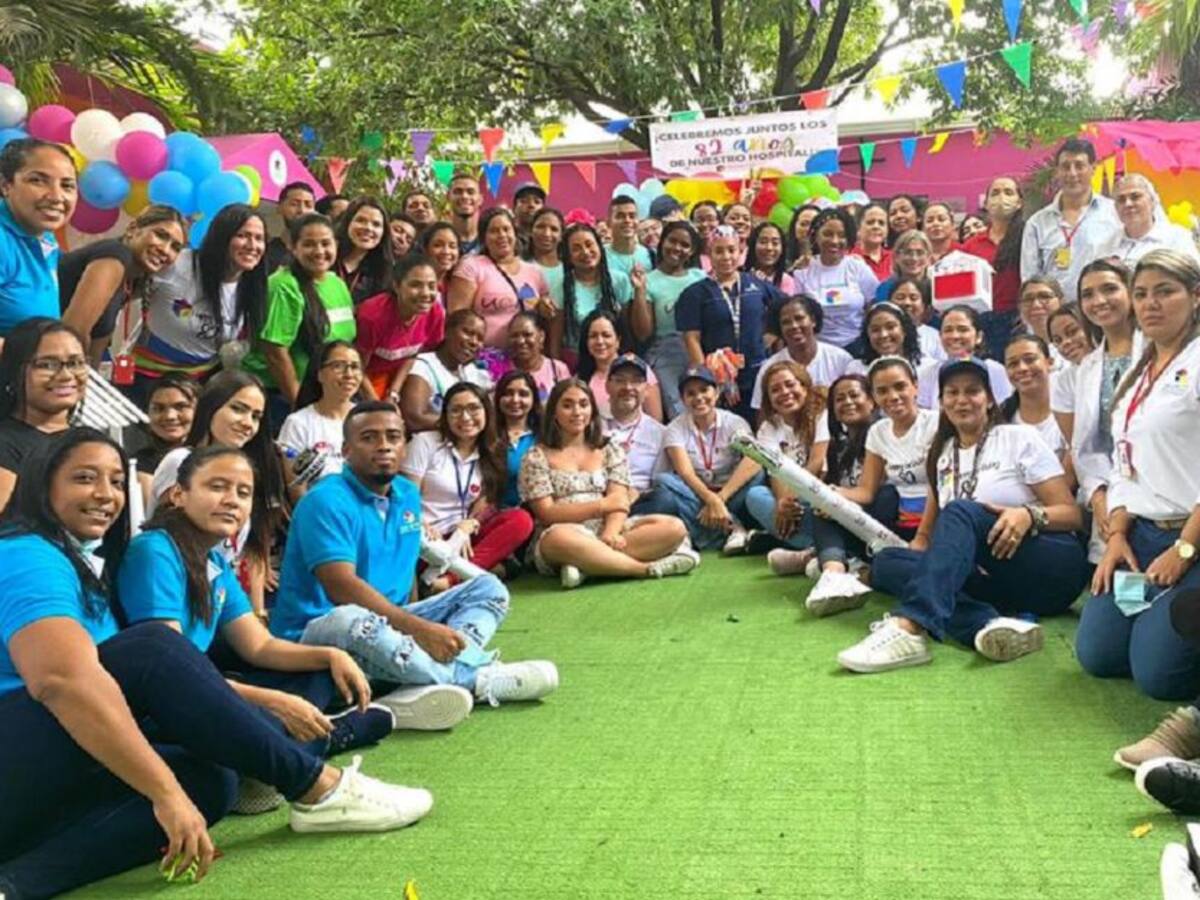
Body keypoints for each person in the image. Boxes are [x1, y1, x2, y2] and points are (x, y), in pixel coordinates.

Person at [0, 430, 431, 900]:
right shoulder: (26, 555)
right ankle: (317, 786)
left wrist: (176, 788)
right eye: (84, 479)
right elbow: (65, 682)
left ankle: (17, 884)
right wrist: (164, 792)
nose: (106, 495)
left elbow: (256, 646)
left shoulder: (85, 563)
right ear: (42, 486)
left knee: (209, 781)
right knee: (152, 649)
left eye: (114, 481)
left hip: (34, 782)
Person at [270, 400, 559, 711]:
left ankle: (413, 678)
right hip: (317, 634)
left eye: (393, 437)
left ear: (405, 445)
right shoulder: (324, 501)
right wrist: (418, 630)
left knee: (489, 589)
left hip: (390, 627)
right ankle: (475, 679)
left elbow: (404, 572)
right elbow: (340, 588)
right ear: (346, 449)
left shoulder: (407, 494)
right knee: (350, 618)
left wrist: (415, 627)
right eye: (369, 438)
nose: (384, 446)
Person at [119, 446, 394, 762]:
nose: (232, 500)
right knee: (256, 718)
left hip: (199, 688)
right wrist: (275, 701)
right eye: (217, 486)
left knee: (317, 672)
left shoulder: (214, 561)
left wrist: (330, 654)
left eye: (243, 492)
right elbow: (172, 676)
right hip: (161, 706)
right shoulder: (155, 551)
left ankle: (278, 748)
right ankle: (323, 738)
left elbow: (259, 646)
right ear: (179, 495)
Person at [840, 357, 1086, 672]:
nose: (962, 400)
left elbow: (1072, 515)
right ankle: (986, 625)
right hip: (996, 581)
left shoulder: (1017, 437)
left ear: (989, 399)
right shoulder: (943, 456)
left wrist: (1028, 515)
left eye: (972, 391)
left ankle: (910, 627)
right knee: (888, 562)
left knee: (960, 512)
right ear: (941, 402)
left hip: (1050, 568)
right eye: (952, 393)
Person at [1076, 250, 1200, 701]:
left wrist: (1185, 550)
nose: (1150, 304)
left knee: (1158, 676)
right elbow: (1124, 464)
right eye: (1142, 293)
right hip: (1141, 536)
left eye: (1165, 292)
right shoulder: (1139, 368)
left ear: (1196, 296)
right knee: (1099, 655)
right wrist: (1116, 537)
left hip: (1190, 537)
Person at [518, 379, 697, 589]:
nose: (577, 412)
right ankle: (644, 569)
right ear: (554, 413)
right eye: (567, 405)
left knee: (674, 528)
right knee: (558, 539)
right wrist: (601, 506)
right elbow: (547, 513)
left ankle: (588, 566)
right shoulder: (536, 456)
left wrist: (611, 531)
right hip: (564, 533)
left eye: (583, 404)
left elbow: (619, 500)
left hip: (610, 531)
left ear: (592, 410)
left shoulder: (609, 448)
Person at [149, 370, 287, 617]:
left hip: (221, 600)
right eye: (238, 409)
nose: (248, 423)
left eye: (256, 416)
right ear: (211, 407)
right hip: (173, 598)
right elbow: (167, 541)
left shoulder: (247, 473)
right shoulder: (180, 460)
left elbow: (252, 552)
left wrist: (258, 614)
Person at [402, 383, 534, 591]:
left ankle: (447, 581)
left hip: (463, 538)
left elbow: (484, 502)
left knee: (520, 520)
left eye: (473, 408)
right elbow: (406, 497)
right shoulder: (425, 443)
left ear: (486, 412)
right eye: (456, 410)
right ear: (445, 415)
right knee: (415, 540)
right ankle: (484, 570)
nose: (465, 417)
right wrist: (421, 522)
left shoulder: (491, 449)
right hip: (428, 538)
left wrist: (469, 524)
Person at [1052, 259, 1140, 563]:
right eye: (1088, 294)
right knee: (1113, 600)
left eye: (1109, 289)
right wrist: (1099, 497)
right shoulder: (1088, 368)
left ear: (1131, 291)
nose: (1099, 300)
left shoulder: (1161, 350)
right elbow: (1086, 449)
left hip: (1159, 495)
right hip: (1109, 500)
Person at [133, 203, 267, 386]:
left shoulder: (252, 287)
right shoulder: (179, 264)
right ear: (222, 237)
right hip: (145, 376)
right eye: (242, 236)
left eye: (259, 238)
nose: (253, 246)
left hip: (195, 388)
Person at [768, 374, 882, 583]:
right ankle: (833, 571)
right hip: (850, 517)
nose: (847, 402)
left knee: (831, 502)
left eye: (854, 395)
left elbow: (872, 492)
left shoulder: (882, 435)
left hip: (879, 517)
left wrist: (837, 498)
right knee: (818, 504)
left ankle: (824, 558)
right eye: (839, 399)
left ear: (872, 401)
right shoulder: (838, 444)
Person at [243, 213, 356, 413]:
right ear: (293, 247)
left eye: (325, 243)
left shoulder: (336, 283)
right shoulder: (283, 286)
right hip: (282, 396)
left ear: (336, 245)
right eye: (309, 244)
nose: (319, 251)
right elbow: (275, 353)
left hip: (325, 393)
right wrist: (301, 409)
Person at [58, 205, 187, 363]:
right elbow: (72, 332)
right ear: (132, 229)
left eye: (175, 247)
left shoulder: (132, 280)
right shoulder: (116, 254)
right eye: (160, 235)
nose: (166, 250)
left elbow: (96, 349)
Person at [654, 365, 761, 553]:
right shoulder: (674, 428)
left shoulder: (734, 422)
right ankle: (733, 527)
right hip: (697, 493)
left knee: (758, 474)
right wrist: (709, 498)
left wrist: (719, 498)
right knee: (664, 481)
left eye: (704, 390)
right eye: (691, 393)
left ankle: (702, 533)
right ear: (683, 399)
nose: (698, 398)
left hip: (731, 491)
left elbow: (753, 459)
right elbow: (685, 472)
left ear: (717, 392)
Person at [676, 225, 779, 418]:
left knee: (760, 426)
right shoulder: (695, 293)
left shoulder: (756, 285)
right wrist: (707, 380)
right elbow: (691, 339)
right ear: (709, 254)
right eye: (719, 251)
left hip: (756, 373)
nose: (726, 257)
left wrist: (771, 336)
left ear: (740, 251)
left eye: (731, 250)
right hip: (720, 377)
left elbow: (786, 307)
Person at [0, 318, 87, 513]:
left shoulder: (89, 441)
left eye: (75, 363)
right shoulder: (5, 445)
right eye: (47, 365)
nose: (66, 375)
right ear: (14, 372)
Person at [742, 361, 829, 554]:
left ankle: (790, 543)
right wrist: (782, 502)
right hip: (792, 500)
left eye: (790, 384)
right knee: (756, 496)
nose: (784, 392)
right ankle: (812, 548)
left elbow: (817, 461)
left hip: (817, 489)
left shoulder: (822, 414)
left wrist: (791, 498)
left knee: (813, 501)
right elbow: (775, 470)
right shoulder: (769, 427)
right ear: (769, 399)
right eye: (775, 389)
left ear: (804, 387)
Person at [1020, 137, 1120, 303]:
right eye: (1065, 167)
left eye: (1079, 166)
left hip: (1104, 309)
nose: (1072, 173)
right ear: (1057, 171)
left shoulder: (1114, 213)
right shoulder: (1037, 223)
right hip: (1056, 318)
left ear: (1093, 169)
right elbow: (1030, 279)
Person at [0, 138, 77, 337]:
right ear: (5, 185)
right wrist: (39, 357)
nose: (56, 196)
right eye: (38, 180)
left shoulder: (44, 238)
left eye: (67, 185)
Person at [447, 207, 552, 353]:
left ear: (515, 234)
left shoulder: (535, 272)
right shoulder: (471, 266)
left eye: (506, 229)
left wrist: (544, 306)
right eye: (494, 231)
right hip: (482, 362)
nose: (501, 235)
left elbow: (545, 315)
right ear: (484, 237)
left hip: (525, 360)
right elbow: (456, 320)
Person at [630, 220, 706, 417]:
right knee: (681, 413)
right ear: (662, 242)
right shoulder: (649, 280)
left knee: (705, 407)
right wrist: (640, 291)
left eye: (685, 245)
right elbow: (643, 333)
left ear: (692, 251)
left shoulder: (700, 277)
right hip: (665, 353)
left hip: (699, 349)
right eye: (672, 241)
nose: (677, 248)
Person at [279, 341, 366, 503]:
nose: (349, 374)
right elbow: (297, 489)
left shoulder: (368, 420)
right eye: (338, 366)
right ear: (319, 374)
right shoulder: (298, 423)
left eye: (355, 367)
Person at [355, 255, 445, 403]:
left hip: (403, 375)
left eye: (431, 286)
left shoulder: (435, 313)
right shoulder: (373, 316)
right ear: (396, 286)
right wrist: (377, 405)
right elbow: (357, 367)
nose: (425, 293)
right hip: (367, 378)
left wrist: (393, 393)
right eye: (415, 285)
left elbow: (415, 356)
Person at [793, 208, 880, 350]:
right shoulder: (802, 272)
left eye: (841, 235)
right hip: (816, 349)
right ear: (816, 236)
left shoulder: (858, 268)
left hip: (858, 347)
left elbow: (875, 307)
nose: (835, 241)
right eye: (827, 234)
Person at [750, 294, 852, 412]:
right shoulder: (769, 367)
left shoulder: (841, 359)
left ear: (813, 320)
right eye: (786, 322)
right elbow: (763, 412)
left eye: (799, 318)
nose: (794, 326)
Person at [549, 222, 638, 356]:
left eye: (589, 244)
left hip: (614, 358)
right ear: (569, 256)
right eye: (576, 248)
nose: (585, 252)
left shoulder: (620, 281)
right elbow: (556, 338)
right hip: (577, 359)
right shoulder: (561, 286)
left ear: (600, 247)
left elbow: (627, 329)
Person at [400, 308, 492, 433]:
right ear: (447, 331)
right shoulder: (424, 365)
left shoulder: (472, 372)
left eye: (480, 338)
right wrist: (462, 424)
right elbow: (413, 419)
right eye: (468, 332)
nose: (474, 342)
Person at [963, 176, 1026, 358]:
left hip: (1018, 321)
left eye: (1008, 192)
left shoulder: (1028, 237)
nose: (1001, 198)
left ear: (1019, 202)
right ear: (987, 202)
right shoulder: (971, 245)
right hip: (982, 322)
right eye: (995, 193)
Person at [601, 354, 670, 515]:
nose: (628, 387)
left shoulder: (661, 433)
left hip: (641, 501)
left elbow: (660, 481)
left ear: (646, 389)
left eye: (636, 381)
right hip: (602, 498)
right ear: (607, 386)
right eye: (620, 380)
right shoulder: (592, 426)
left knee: (666, 500)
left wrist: (636, 494)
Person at [916, 305, 1013, 409]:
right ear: (940, 336)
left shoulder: (994, 370)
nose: (955, 336)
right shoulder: (929, 373)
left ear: (979, 337)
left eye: (963, 329)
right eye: (948, 330)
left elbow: (1004, 412)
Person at [1097, 173, 1200, 267]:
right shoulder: (1106, 246)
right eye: (1121, 200)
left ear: (1152, 201)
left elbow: (1194, 277)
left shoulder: (1176, 238)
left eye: (1135, 197)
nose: (1128, 204)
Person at [578, 309, 662, 420]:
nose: (600, 341)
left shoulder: (640, 370)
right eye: (593, 336)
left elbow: (656, 421)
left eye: (606, 335)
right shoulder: (581, 380)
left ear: (618, 340)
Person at [999, 335, 1070, 465]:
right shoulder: (1002, 420)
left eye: (1030, 360)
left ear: (1049, 362)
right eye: (1013, 364)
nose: (1022, 368)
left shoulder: (1071, 408)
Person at [133, 375, 198, 507]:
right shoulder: (140, 464)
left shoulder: (214, 455)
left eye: (181, 407)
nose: (170, 416)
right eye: (159, 408)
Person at [493, 370, 540, 510]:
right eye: (508, 393)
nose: (515, 400)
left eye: (523, 394)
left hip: (535, 514)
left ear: (534, 399)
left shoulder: (544, 436)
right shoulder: (487, 434)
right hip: (492, 514)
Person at [333, 197, 392, 304]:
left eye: (376, 224)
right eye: (361, 220)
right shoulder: (325, 258)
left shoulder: (384, 273)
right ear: (347, 223)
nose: (368, 228)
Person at [503, 311, 569, 402]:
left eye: (527, 335)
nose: (521, 341)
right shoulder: (501, 369)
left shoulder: (558, 369)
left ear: (541, 336)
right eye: (515, 336)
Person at [846, 302, 923, 377]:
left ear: (904, 329)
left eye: (890, 327)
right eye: (875, 330)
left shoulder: (926, 368)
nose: (883, 335)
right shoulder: (856, 369)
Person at [888, 275, 945, 362]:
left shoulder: (935, 336)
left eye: (913, 298)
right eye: (900, 297)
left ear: (924, 306)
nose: (907, 303)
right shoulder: (883, 333)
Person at [264, 181, 315, 272]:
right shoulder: (265, 253)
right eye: (294, 204)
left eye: (308, 205)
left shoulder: (319, 254)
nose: (302, 210)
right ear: (279, 207)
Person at [875, 229, 933, 303]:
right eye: (907, 252)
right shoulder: (885, 288)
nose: (914, 258)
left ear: (929, 256)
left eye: (920, 253)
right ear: (896, 256)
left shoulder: (936, 287)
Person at [606, 195, 654, 279]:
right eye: (620, 216)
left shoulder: (651, 255)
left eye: (632, 216)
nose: (627, 220)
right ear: (608, 222)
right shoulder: (599, 256)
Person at [744, 222, 796, 294]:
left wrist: (765, 285)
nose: (769, 248)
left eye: (775, 243)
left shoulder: (787, 281)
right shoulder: (741, 276)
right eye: (763, 242)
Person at [1016, 277, 1065, 352]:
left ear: (1061, 301)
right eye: (1028, 299)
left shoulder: (1076, 343)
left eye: (1045, 296)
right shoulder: (1018, 349)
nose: (1036, 305)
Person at [418, 221, 461, 304]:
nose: (446, 251)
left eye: (452, 246)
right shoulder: (415, 283)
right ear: (425, 249)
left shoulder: (459, 283)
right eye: (438, 245)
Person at [853, 202, 892, 282]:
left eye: (881, 223)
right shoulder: (849, 259)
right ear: (859, 228)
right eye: (870, 222)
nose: (876, 226)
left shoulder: (895, 258)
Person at [446, 171, 482, 255]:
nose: (464, 196)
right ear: (448, 197)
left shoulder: (488, 240)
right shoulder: (438, 239)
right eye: (458, 192)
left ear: (480, 199)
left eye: (470, 192)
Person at [511, 182, 546, 255]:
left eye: (537, 202)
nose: (531, 205)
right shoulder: (507, 237)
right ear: (514, 208)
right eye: (524, 201)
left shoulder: (549, 238)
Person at [527, 207, 564, 276]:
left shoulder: (570, 272)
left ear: (561, 236)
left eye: (554, 229)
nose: (546, 234)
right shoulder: (519, 268)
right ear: (530, 231)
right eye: (540, 227)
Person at [787, 204, 821, 273]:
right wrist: (794, 269)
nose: (808, 229)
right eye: (803, 224)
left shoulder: (830, 256)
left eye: (814, 225)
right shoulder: (781, 254)